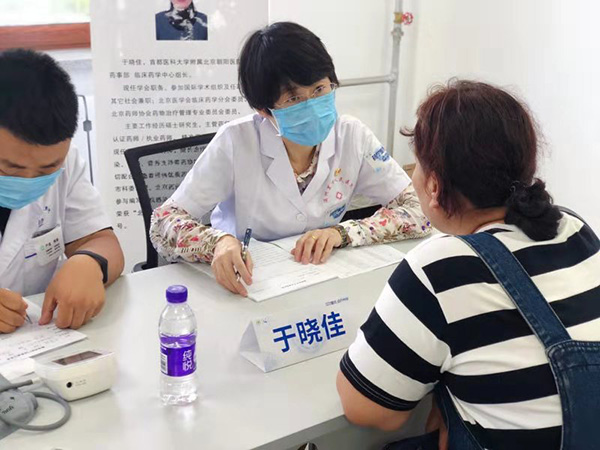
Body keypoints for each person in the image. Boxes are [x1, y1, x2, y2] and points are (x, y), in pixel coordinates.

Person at [336, 80, 600, 450]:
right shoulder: (573, 228)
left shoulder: (439, 267)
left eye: (417, 165)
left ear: (434, 186)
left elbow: (367, 410)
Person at [150, 22, 431, 297]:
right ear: (264, 109)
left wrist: (344, 233)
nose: (312, 105)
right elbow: (164, 221)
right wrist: (218, 243)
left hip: (321, 281)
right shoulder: (235, 142)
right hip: (245, 283)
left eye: (319, 89)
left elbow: (420, 209)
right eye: (293, 98)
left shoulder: (352, 136)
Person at [0, 49, 124, 333]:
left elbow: (101, 240)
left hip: (37, 339)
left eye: (46, 169)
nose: (29, 180)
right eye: (10, 168)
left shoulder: (66, 162)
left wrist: (89, 262)